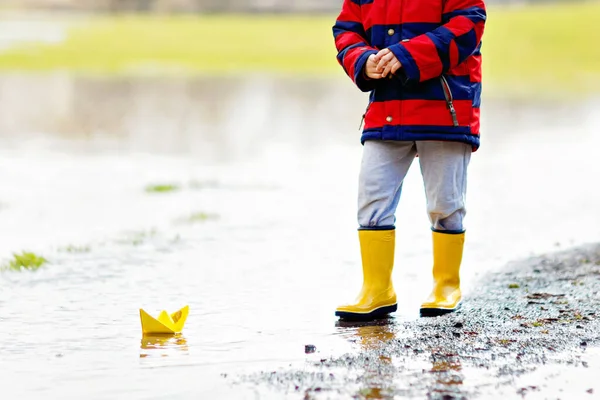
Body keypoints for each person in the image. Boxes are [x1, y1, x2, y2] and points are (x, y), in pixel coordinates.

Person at [332, 0, 487, 319]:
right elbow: (347, 29)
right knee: (371, 199)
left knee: (445, 204)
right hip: (386, 112)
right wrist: (363, 60)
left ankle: (446, 285)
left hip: (445, 111)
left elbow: (469, 25)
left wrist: (405, 54)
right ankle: (377, 289)